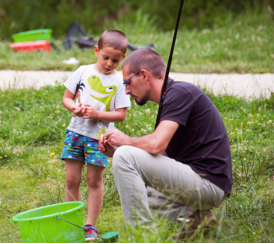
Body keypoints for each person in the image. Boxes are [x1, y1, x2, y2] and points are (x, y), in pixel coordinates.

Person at [99, 49, 232, 241]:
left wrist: (126, 143)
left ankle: (143, 239)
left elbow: (155, 144)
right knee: (137, 184)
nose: (126, 90)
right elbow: (161, 155)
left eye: (127, 82)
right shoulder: (170, 99)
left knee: (126, 157)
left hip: (209, 183)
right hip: (198, 181)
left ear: (144, 75)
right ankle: (199, 220)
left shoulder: (179, 93)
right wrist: (116, 152)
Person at [61, 29, 131, 241]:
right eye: (105, 57)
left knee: (94, 181)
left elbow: (121, 115)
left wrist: (98, 114)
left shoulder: (120, 81)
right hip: (75, 133)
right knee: (72, 178)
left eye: (115, 60)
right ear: (96, 50)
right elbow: (67, 98)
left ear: (123, 59)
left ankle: (90, 224)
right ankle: (71, 222)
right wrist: (74, 108)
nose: (109, 63)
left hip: (99, 138)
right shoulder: (82, 71)